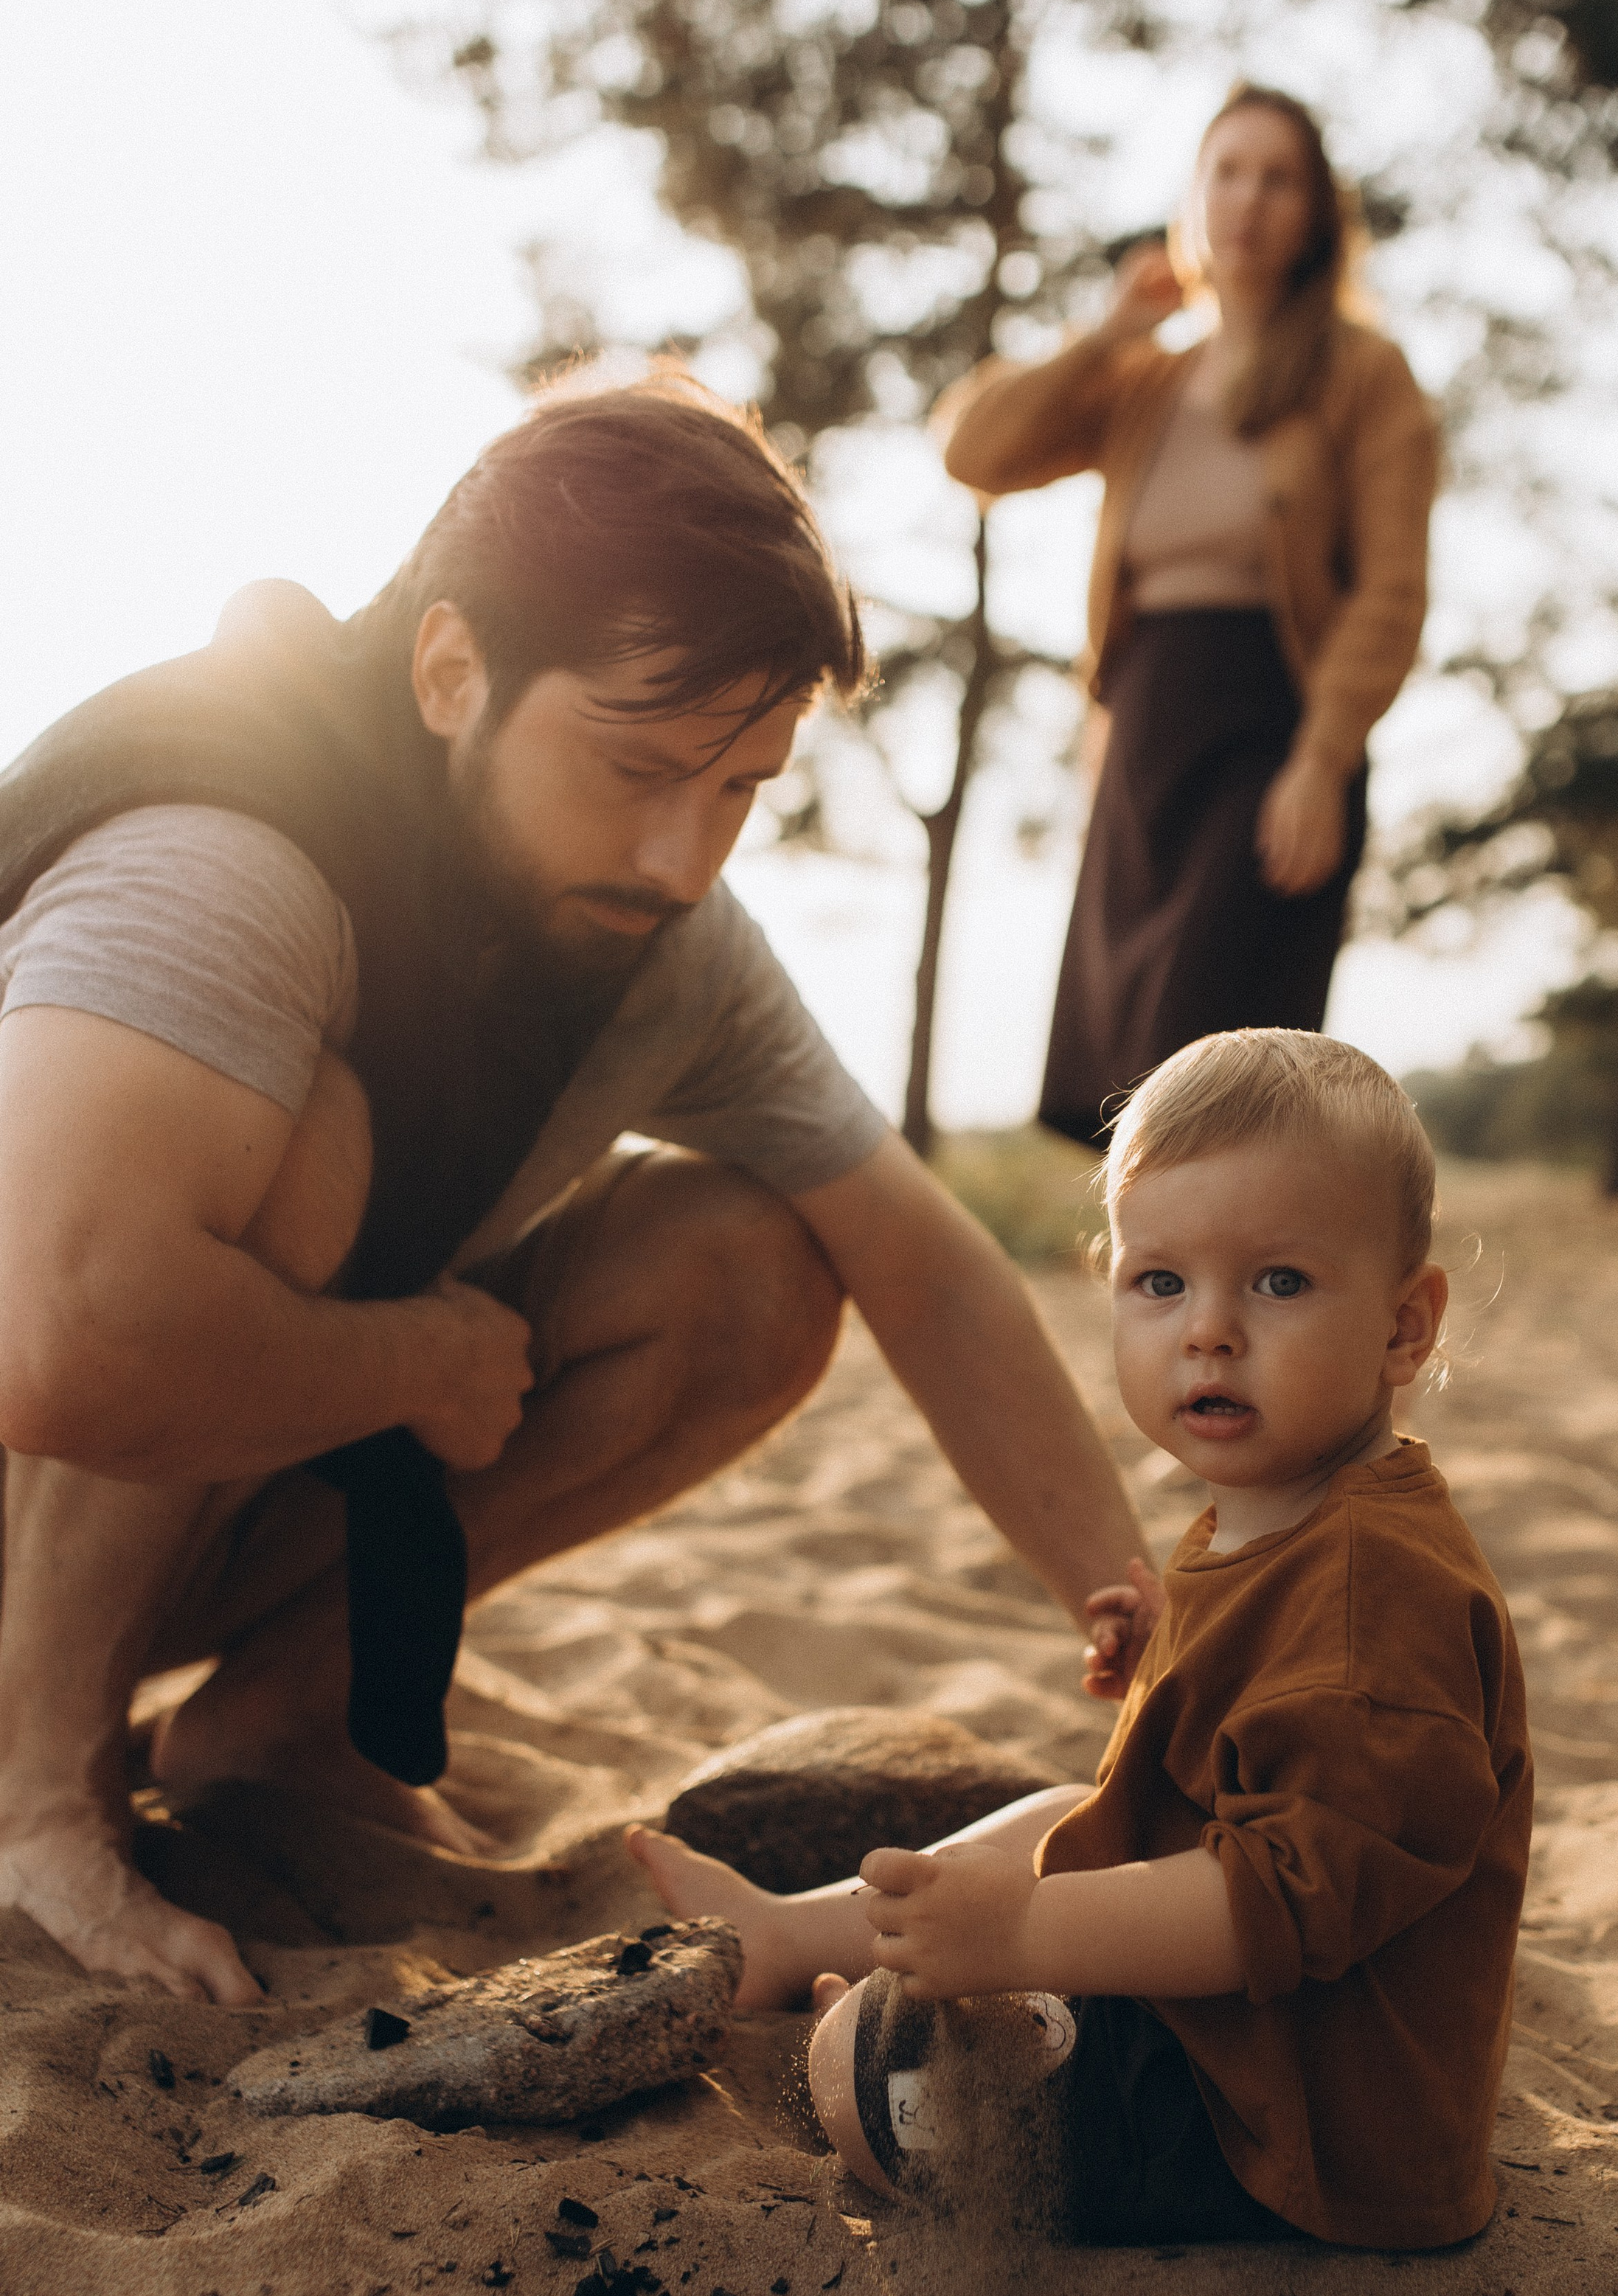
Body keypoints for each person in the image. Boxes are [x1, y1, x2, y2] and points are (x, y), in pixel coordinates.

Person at [0, 373, 1151, 2006]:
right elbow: (64, 1337)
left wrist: (1138, 1622)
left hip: (184, 1496)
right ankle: (34, 1786)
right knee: (306, 1151)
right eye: (636, 767)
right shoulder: (220, 849)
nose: (684, 857)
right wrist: (416, 1360)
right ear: (451, 666)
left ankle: (282, 1721)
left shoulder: (662, 937)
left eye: (742, 787)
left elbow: (918, 1260)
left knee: (753, 1261)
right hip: (37, 1447)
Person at [631, 1029, 1534, 2252]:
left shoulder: (1382, 1601)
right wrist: (1176, 1657)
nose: (1208, 1332)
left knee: (862, 2078)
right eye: (1161, 1283)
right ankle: (792, 1933)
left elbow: (1279, 1900)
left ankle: (883, 2038)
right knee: (1065, 1807)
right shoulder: (1295, 1511)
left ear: (1403, 1326)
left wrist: (1021, 1938)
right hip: (1252, 2040)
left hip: (1289, 2135)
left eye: (1278, 1282)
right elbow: (1265, 1733)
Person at [936, 87, 1440, 1149]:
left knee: (1216, 1078)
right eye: (1227, 170)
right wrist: (1106, 333)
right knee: (1122, 1085)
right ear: (1192, 195)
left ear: (1315, 214)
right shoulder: (1146, 382)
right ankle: (1152, 1305)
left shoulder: (1364, 375)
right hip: (1147, 729)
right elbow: (973, 453)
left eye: (1278, 176)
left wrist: (1323, 760)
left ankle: (1239, 1301)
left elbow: (1391, 592)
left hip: (1276, 730)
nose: (1248, 198)